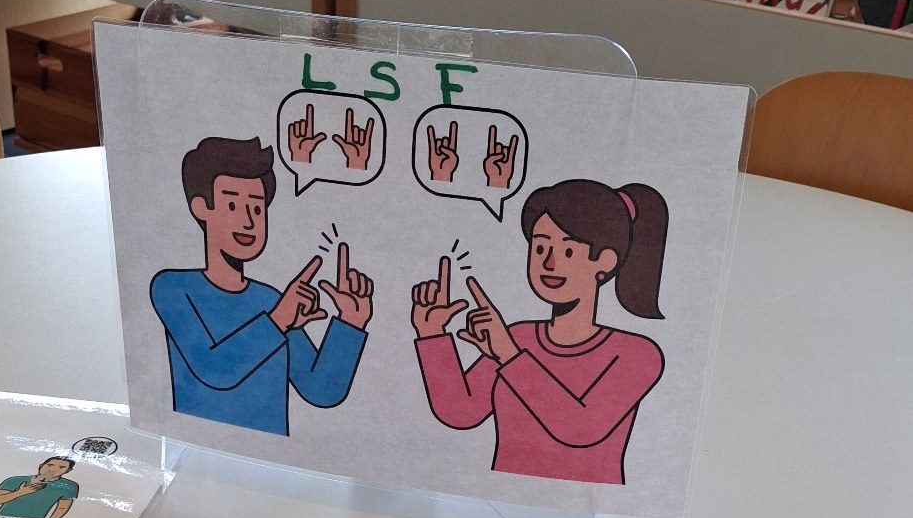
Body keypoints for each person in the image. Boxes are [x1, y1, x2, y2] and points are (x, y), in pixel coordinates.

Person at [412, 178, 667, 485]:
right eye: (541, 247)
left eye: (568, 251)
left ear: (605, 262)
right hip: (501, 496)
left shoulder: (637, 354)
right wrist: (432, 333)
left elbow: (581, 427)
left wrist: (509, 356)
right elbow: (461, 411)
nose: (549, 262)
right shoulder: (517, 338)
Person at [150, 135, 373, 437]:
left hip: (267, 458)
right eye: (232, 205)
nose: (248, 221)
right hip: (199, 449)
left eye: (256, 208)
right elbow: (214, 368)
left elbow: (320, 389)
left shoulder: (271, 300)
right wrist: (279, 320)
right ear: (201, 208)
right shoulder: (172, 288)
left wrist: (351, 322)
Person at [0, 457, 77, 518]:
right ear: (41, 465)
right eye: (50, 465)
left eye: (62, 467)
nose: (53, 469)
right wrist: (21, 492)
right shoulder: (15, 480)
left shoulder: (69, 486)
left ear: (68, 470)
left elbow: (62, 508)